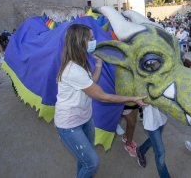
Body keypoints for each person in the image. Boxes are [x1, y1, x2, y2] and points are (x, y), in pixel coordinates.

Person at [54, 24, 145, 178]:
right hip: (69, 125)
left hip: (85, 118)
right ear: (79, 41)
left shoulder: (80, 63)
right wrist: (133, 98)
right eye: (91, 38)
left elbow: (92, 82)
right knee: (92, 163)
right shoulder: (73, 70)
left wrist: (98, 63)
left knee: (84, 159)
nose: (94, 41)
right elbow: (103, 96)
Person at [136, 104, 170, 178]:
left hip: (161, 115)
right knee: (160, 153)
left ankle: (141, 150)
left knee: (154, 141)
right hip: (150, 119)